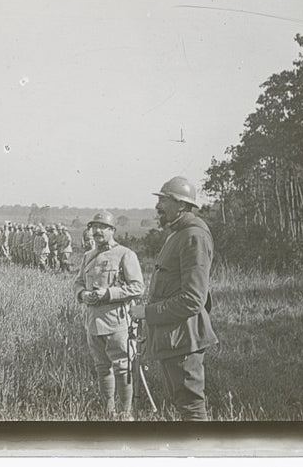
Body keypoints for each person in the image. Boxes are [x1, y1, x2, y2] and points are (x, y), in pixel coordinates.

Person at [130, 176, 217, 421]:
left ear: (181, 205)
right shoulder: (177, 234)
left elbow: (193, 299)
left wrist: (146, 313)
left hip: (184, 340)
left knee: (191, 408)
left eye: (164, 200)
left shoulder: (193, 237)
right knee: (184, 405)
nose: (158, 207)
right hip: (174, 338)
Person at [75, 211, 145, 418]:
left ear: (112, 230)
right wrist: (82, 294)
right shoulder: (88, 256)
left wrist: (108, 293)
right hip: (93, 322)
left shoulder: (125, 254)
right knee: (101, 366)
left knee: (122, 367)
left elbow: (138, 287)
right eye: (93, 227)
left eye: (102, 227)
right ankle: (109, 410)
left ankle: (125, 413)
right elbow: (78, 282)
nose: (96, 231)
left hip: (117, 321)